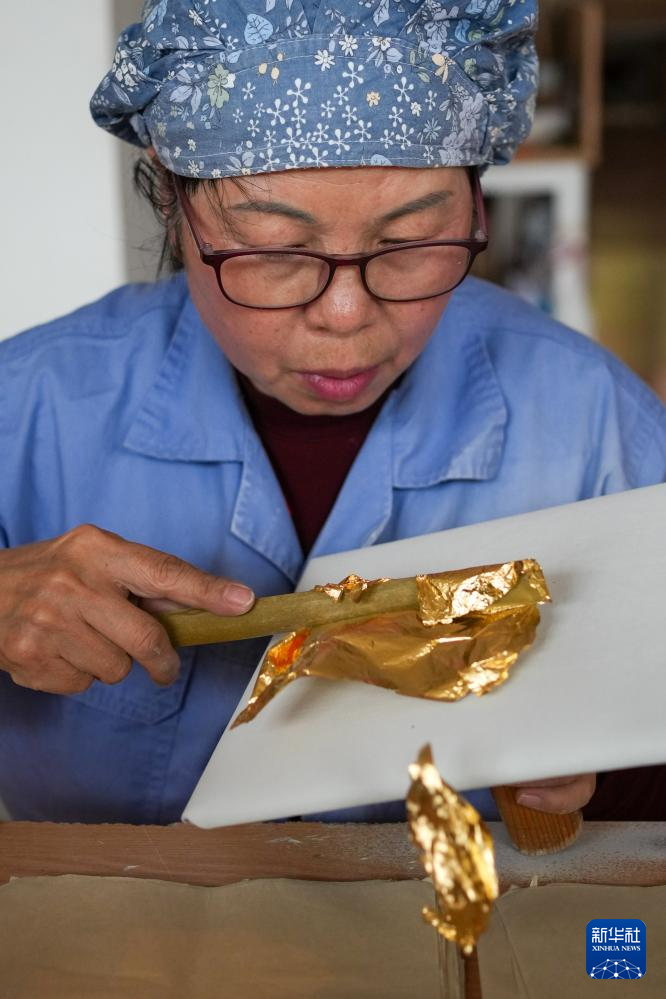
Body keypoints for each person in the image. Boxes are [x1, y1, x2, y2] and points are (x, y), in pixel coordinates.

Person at [0, 0, 664, 826]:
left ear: (475, 206)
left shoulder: (600, 429)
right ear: (171, 201)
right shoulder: (26, 410)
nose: (346, 316)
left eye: (411, 242)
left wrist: (612, 776)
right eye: (277, 251)